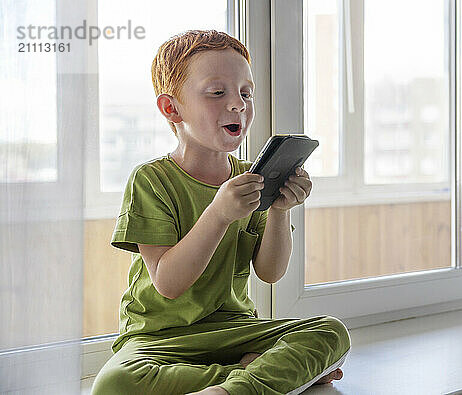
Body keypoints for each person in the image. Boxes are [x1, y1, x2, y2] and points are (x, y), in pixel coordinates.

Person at [91, 30, 351, 395]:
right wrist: (219, 213)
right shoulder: (151, 180)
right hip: (161, 340)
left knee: (331, 331)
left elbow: (270, 272)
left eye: (246, 93)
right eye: (218, 93)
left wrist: (279, 211)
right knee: (115, 384)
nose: (238, 104)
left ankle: (231, 388)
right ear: (172, 108)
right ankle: (260, 374)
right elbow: (168, 283)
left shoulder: (252, 179)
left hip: (235, 329)